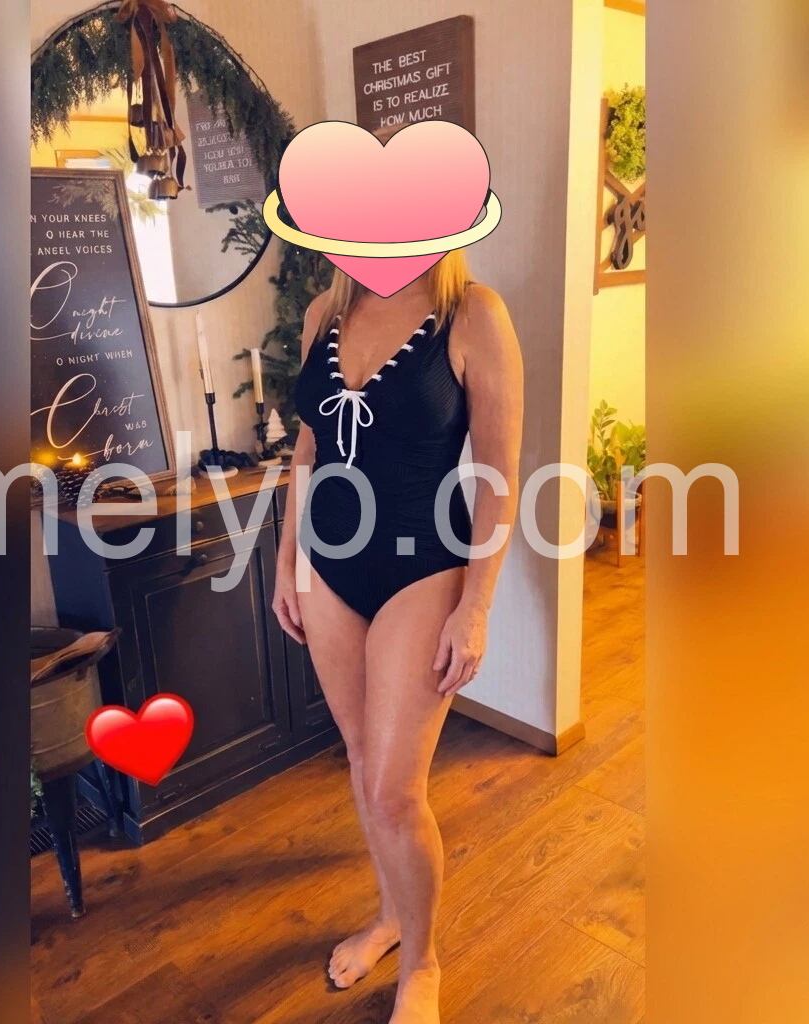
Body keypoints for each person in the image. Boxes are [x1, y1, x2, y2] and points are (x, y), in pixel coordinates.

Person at [273, 250, 523, 1023]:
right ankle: (390, 918)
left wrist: (475, 606)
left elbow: (499, 474)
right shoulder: (324, 313)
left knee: (394, 792)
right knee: (360, 760)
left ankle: (423, 962)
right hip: (327, 567)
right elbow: (308, 451)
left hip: (422, 568)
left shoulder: (472, 312)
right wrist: (285, 560)